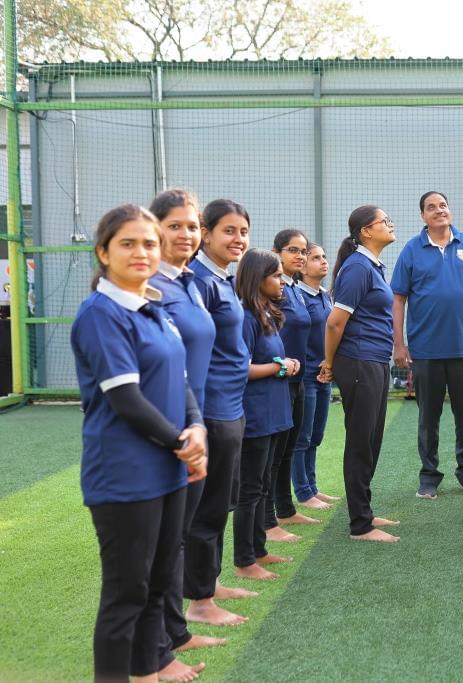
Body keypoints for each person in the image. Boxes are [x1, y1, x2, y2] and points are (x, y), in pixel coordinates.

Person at [71, 204, 207, 683]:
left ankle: (149, 671)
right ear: (104, 253)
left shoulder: (153, 306)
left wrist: (197, 428)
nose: (141, 252)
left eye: (149, 243)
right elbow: (125, 398)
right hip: (126, 475)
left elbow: (183, 380)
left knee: (158, 583)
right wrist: (181, 441)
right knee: (126, 594)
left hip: (168, 467)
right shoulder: (100, 313)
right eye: (127, 243)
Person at [148, 189, 223, 681]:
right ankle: (155, 654)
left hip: (194, 423)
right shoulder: (151, 286)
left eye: (193, 226)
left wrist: (197, 423)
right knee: (157, 545)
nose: (187, 235)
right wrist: (177, 432)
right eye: (175, 225)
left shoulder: (190, 282)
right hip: (162, 431)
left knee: (176, 537)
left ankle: (176, 632)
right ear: (154, 230)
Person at [391, 191, 463, 499]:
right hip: (426, 350)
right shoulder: (411, 250)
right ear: (423, 216)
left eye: (443, 205)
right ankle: (429, 476)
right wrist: (399, 344)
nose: (438, 211)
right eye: (431, 208)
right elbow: (399, 299)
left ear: (450, 210)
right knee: (428, 417)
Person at [187, 199, 254, 627]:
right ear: (205, 233)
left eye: (243, 232)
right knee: (206, 507)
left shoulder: (222, 279)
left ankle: (207, 584)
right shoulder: (199, 280)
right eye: (228, 231)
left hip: (232, 404)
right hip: (211, 407)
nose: (238, 239)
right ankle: (198, 601)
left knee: (222, 501)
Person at [319, 206, 401, 542]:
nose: (390, 224)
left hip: (376, 361)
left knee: (371, 439)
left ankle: (364, 511)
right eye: (384, 221)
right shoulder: (356, 267)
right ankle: (360, 525)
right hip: (358, 362)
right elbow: (335, 322)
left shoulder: (371, 266)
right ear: (366, 231)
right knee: (360, 441)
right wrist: (328, 362)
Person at [233, 250, 300, 580]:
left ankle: (259, 550)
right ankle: (245, 560)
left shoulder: (268, 313)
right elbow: (240, 369)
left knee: (262, 485)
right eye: (276, 276)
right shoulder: (244, 317)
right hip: (256, 416)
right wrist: (279, 367)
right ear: (257, 279)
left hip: (275, 414)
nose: (282, 281)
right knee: (250, 490)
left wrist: (286, 366)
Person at [263, 229, 317, 543]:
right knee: (272, 455)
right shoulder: (273, 288)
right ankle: (268, 521)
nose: (299, 255)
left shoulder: (295, 288)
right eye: (292, 250)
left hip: (299, 379)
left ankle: (285, 508)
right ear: (276, 252)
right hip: (276, 380)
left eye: (302, 251)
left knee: (287, 450)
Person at [292, 244, 341, 510]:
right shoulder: (297, 296)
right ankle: (302, 492)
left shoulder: (325, 295)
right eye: (316, 258)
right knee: (302, 436)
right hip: (307, 375)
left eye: (324, 257)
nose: (323, 262)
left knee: (317, 435)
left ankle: (312, 487)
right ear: (303, 266)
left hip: (325, 374)